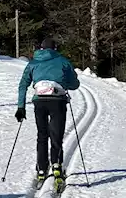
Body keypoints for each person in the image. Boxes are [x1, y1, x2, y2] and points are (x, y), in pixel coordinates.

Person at [15, 37, 81, 188]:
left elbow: (23, 85)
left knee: (42, 135)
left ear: (41, 49)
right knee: (56, 135)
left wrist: (21, 107)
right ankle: (57, 165)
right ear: (55, 48)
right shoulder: (63, 61)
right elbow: (75, 84)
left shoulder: (33, 62)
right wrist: (65, 83)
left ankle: (42, 168)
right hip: (58, 101)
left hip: (39, 101)